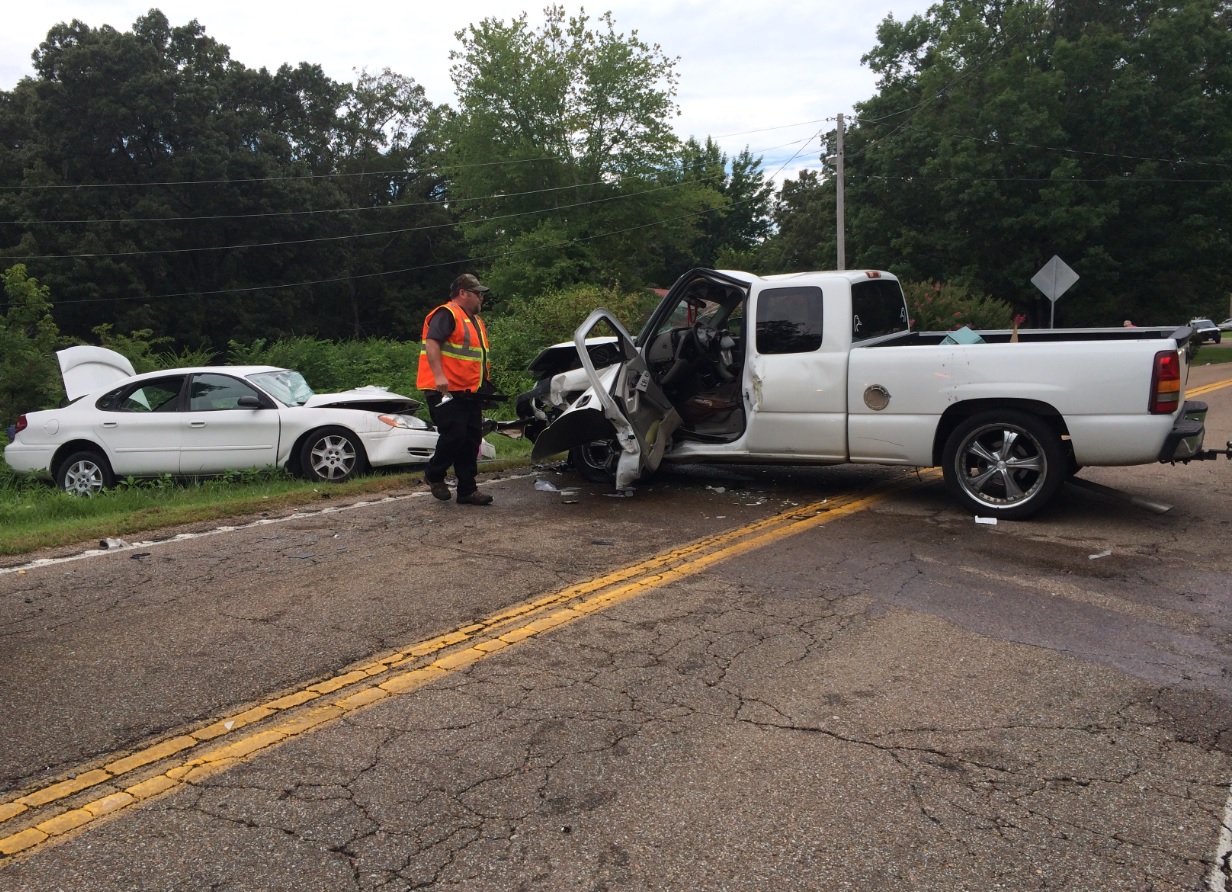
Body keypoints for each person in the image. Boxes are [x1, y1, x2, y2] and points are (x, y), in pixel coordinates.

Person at [416, 273, 495, 505]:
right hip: (444, 390)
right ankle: (434, 474)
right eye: (477, 293)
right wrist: (440, 376)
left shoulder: (475, 321)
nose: (481, 297)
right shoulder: (447, 313)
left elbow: (473, 359)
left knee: (471, 440)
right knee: (455, 435)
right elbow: (432, 343)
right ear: (463, 293)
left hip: (469, 393)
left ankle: (467, 490)